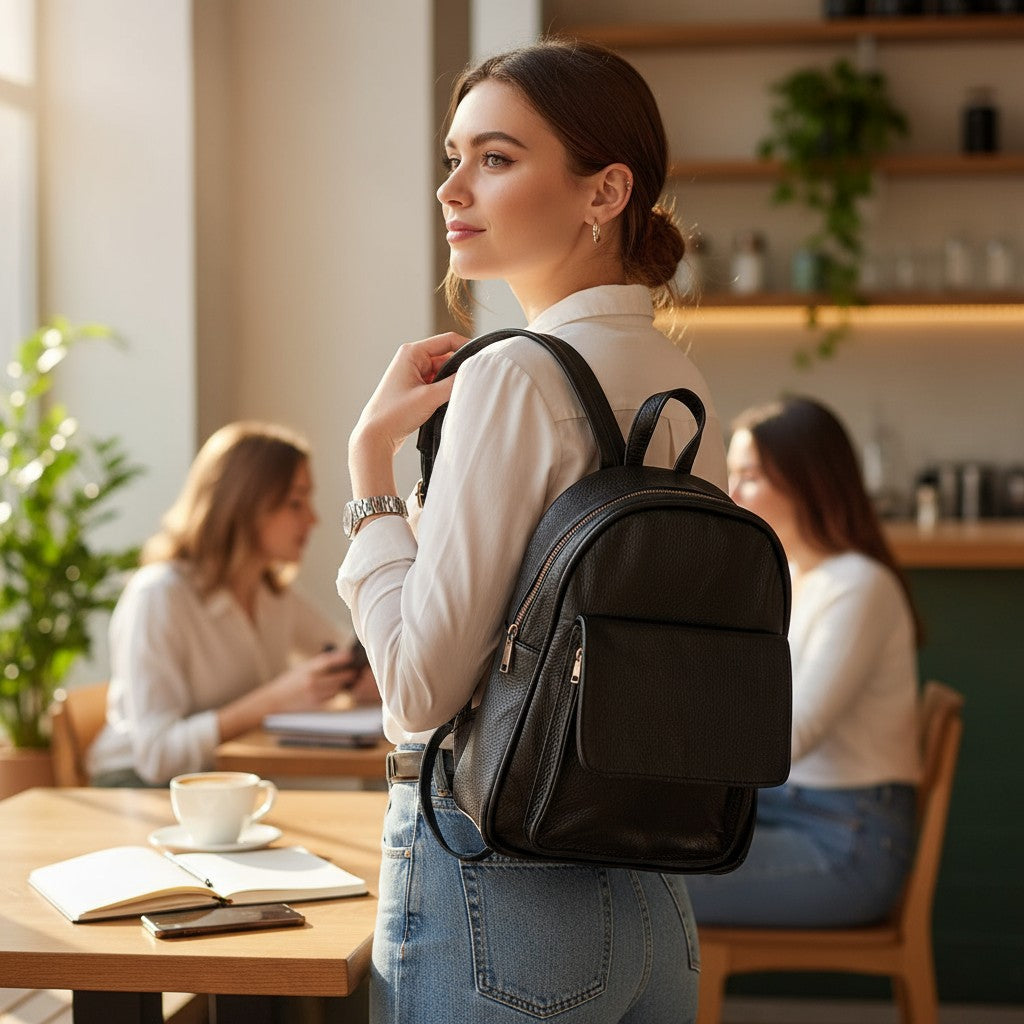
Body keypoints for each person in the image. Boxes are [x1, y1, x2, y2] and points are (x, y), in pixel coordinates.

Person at [336, 38, 726, 1024]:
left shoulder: (516, 373)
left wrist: (369, 476)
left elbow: (419, 694)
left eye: (495, 159)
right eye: (452, 158)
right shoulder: (675, 375)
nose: (451, 189)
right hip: (652, 893)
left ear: (604, 192)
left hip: (501, 888)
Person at [685, 396, 922, 928]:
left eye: (749, 476)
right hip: (792, 811)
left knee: (650, 880)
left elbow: (790, 738)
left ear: (807, 483)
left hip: (848, 843)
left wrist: (684, 743)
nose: (732, 492)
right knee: (634, 854)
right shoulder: (791, 576)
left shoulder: (859, 587)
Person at [88, 420, 375, 787]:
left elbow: (342, 645)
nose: (313, 518)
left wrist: (360, 679)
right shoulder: (159, 596)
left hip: (222, 782)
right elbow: (157, 757)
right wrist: (273, 700)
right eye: (295, 501)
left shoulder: (272, 594)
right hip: (138, 787)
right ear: (245, 503)